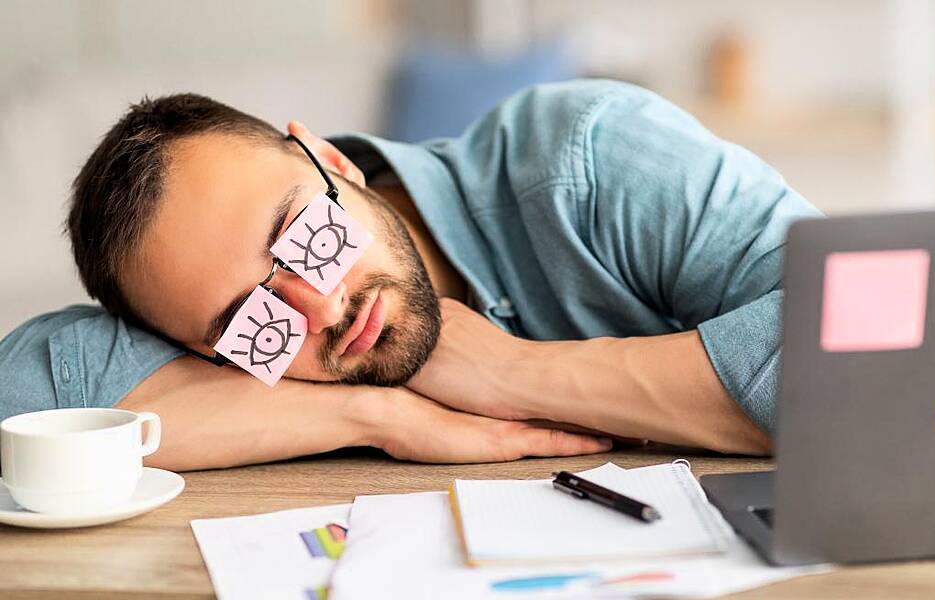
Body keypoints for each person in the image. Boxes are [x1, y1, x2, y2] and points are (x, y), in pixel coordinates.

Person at [0, 80, 820, 471]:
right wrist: (376, 411)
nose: (318, 309)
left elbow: (898, 340)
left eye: (302, 235)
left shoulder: (586, 161)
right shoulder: (270, 354)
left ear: (330, 161)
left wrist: (514, 374)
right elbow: (19, 406)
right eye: (249, 321)